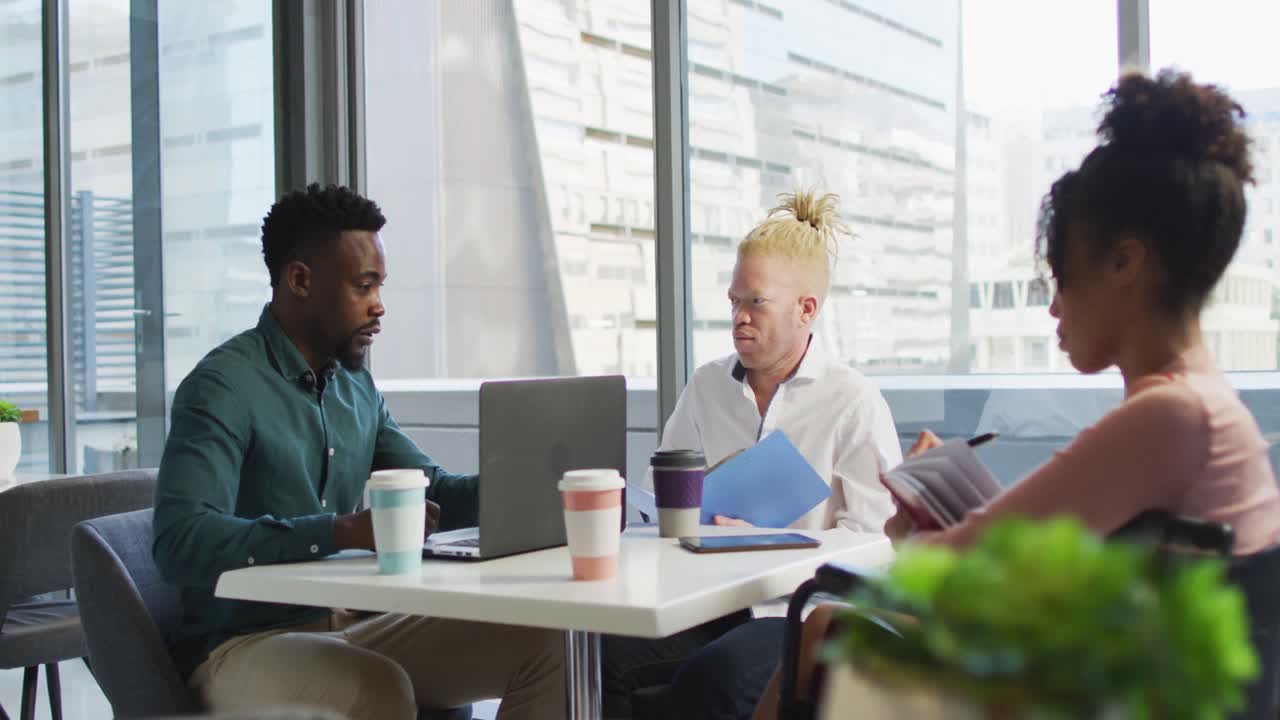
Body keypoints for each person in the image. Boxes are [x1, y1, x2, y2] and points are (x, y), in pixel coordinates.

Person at [745, 69, 1280, 720]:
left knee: (820, 625)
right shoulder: (1201, 405)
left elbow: (961, 565)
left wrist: (920, 532)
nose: (1053, 306)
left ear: (1125, 263)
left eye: (1060, 275)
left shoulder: (1170, 416)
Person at [152, 184, 564, 720]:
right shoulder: (222, 386)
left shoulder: (355, 388)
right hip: (239, 645)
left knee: (550, 643)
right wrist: (338, 531)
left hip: (349, 624)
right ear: (300, 279)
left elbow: (434, 492)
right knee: (377, 688)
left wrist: (530, 486)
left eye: (380, 285)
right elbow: (179, 541)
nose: (379, 304)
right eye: (363, 285)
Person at [603, 190, 901, 717]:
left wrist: (779, 546)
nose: (740, 318)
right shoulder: (707, 388)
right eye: (734, 302)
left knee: (714, 677)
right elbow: (663, 500)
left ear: (806, 308)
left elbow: (877, 546)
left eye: (755, 303)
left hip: (801, 614)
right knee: (602, 650)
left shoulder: (853, 402)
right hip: (705, 601)